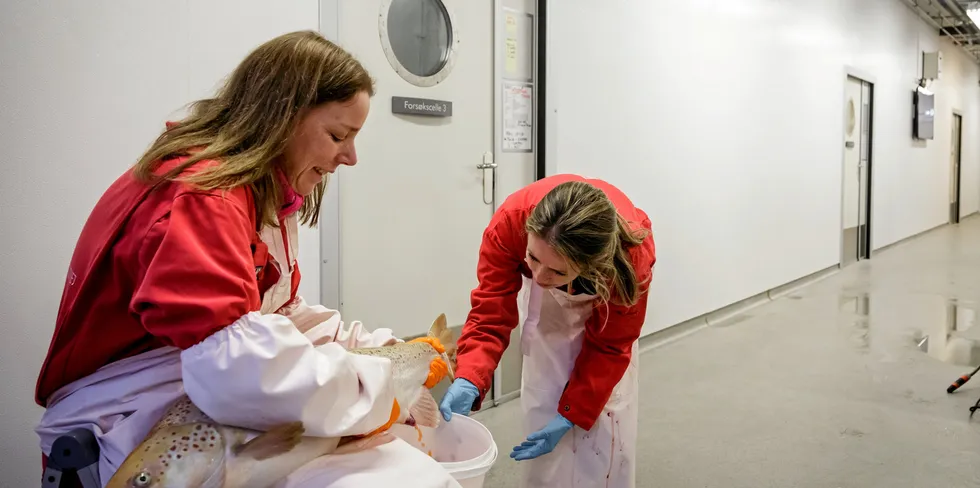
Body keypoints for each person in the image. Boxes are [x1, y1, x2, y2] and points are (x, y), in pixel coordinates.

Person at [34, 31, 459, 488]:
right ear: (282, 116)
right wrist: (376, 383)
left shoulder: (260, 191)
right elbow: (241, 373)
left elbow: (272, 315)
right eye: (338, 135)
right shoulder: (203, 199)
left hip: (188, 385)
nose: (350, 157)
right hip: (124, 410)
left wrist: (380, 345)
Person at [439, 175, 656, 487]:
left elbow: (611, 345)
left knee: (605, 423)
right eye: (533, 259)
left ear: (593, 264)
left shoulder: (630, 259)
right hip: (551, 312)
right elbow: (489, 313)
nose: (539, 277)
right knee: (544, 404)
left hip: (607, 309)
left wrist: (573, 413)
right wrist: (469, 377)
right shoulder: (510, 223)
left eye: (556, 270)